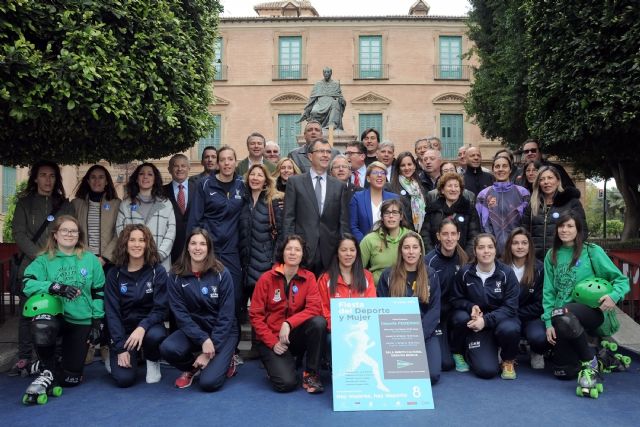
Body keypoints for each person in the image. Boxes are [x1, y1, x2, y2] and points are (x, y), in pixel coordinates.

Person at [542, 212, 629, 386]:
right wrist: (548, 323)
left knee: (564, 312)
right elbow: (548, 291)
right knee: (564, 372)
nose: (564, 230)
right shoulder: (551, 254)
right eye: (561, 226)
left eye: (570, 226)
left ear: (578, 229)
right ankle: (602, 356)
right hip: (560, 317)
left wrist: (614, 296)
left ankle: (591, 363)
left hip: (592, 311)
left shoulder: (591, 251)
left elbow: (621, 280)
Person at [21, 215, 104, 394]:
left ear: (79, 235)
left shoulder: (90, 260)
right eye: (64, 230)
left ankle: (42, 365)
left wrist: (97, 321)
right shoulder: (44, 260)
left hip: (80, 320)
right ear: (55, 235)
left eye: (73, 231)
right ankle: (48, 369)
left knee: (70, 379)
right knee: (42, 324)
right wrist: (55, 287)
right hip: (55, 318)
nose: (69, 234)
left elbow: (99, 291)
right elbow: (27, 283)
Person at [10, 160, 75, 376]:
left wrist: (56, 257)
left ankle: (49, 358)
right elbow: (19, 234)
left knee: (56, 313)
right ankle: (24, 358)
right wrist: (41, 257)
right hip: (32, 266)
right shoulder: (24, 204)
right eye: (43, 175)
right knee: (28, 315)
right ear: (35, 178)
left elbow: (70, 232)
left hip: (60, 266)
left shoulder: (65, 205)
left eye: (52, 176)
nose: (48, 180)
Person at [186, 145, 245, 366]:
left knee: (235, 299)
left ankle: (233, 348)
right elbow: (195, 220)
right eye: (223, 160)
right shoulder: (204, 185)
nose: (227, 163)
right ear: (217, 163)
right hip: (209, 252)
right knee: (206, 298)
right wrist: (196, 251)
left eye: (231, 159)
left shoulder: (242, 185)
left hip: (232, 252)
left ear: (235, 162)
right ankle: (204, 345)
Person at [160, 228, 238, 391]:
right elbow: (180, 315)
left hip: (223, 331)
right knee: (168, 348)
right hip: (194, 330)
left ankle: (227, 357)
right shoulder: (175, 275)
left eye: (202, 244)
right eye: (193, 243)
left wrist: (211, 346)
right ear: (187, 247)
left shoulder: (222, 273)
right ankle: (191, 368)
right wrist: (203, 339)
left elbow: (226, 316)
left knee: (208, 383)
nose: (197, 248)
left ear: (209, 248)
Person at [249, 235, 327, 393]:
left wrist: (289, 323)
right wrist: (272, 342)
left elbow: (314, 308)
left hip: (293, 335)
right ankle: (281, 364)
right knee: (286, 384)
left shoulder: (309, 277)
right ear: (282, 253)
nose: (293, 253)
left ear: (302, 254)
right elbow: (255, 316)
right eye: (289, 249)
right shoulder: (266, 279)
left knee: (318, 322)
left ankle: (310, 374)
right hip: (272, 338)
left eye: (297, 249)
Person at [104, 224, 169, 387]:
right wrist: (120, 347)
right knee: (124, 380)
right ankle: (114, 357)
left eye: (142, 240)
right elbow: (112, 313)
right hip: (124, 331)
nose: (137, 244)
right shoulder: (114, 273)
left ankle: (152, 360)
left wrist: (142, 327)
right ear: (125, 244)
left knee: (155, 335)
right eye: (132, 240)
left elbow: (161, 309)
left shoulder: (158, 271)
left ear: (147, 244)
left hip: (149, 328)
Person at [450, 234, 520, 380]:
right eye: (481, 247)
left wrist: (486, 320)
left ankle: (508, 360)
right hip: (477, 324)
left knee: (511, 329)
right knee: (486, 371)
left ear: (495, 250)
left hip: (501, 320)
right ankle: (467, 349)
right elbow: (455, 299)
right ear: (475, 252)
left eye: (490, 247)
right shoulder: (465, 273)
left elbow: (510, 308)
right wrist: (471, 306)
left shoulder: (507, 273)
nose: (486, 251)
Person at [72, 164, 121, 368]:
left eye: (101, 177)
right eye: (93, 177)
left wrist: (105, 258)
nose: (97, 181)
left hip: (107, 262)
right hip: (83, 261)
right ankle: (89, 345)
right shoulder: (76, 204)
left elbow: (120, 232)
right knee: (85, 304)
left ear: (107, 181)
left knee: (107, 305)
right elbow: (71, 232)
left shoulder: (116, 203)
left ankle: (106, 345)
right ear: (87, 180)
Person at [378, 231, 442, 384]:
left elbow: (434, 309)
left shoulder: (431, 274)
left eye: (415, 247)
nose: (411, 252)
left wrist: (419, 334)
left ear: (421, 251)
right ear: (401, 251)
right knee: (393, 373)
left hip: (423, 332)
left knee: (432, 376)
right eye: (406, 247)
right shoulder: (388, 275)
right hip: (395, 334)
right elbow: (381, 308)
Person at [283, 138, 349, 277]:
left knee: (327, 296)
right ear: (310, 156)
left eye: (328, 152)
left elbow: (343, 223)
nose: (325, 155)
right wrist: (289, 248)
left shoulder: (339, 186)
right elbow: (288, 218)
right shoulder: (295, 182)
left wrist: (343, 249)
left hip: (330, 253)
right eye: (321, 151)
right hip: (302, 251)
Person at [316, 234, 376, 361]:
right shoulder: (325, 279)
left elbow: (372, 307)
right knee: (332, 339)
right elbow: (323, 310)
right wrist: (340, 328)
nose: (348, 254)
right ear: (337, 253)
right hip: (335, 331)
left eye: (352, 250)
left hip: (362, 330)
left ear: (357, 253)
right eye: (343, 250)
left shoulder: (367, 276)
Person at [239, 163, 284, 319]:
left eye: (259, 175)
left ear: (266, 180)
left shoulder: (274, 201)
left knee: (264, 312)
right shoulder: (242, 201)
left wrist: (275, 261)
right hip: (244, 264)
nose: (255, 178)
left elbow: (281, 233)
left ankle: (262, 343)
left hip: (265, 264)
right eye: (252, 174)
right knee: (241, 313)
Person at [425, 219, 469, 372]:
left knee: (463, 318)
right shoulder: (429, 262)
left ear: (458, 236)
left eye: (453, 234)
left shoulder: (465, 259)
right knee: (446, 364)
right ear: (438, 236)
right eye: (445, 234)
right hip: (437, 315)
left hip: (457, 312)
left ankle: (458, 351)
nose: (449, 238)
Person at [116, 162, 176, 271]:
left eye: (150, 174)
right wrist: (133, 254)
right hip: (133, 262)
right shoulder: (126, 204)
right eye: (141, 174)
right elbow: (120, 231)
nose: (145, 177)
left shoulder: (166, 204)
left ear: (155, 179)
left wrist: (159, 255)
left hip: (160, 263)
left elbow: (171, 232)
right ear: (136, 178)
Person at [501, 227, 547, 369]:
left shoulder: (539, 268)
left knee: (539, 337)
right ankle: (503, 350)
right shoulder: (500, 266)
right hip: (506, 316)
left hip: (530, 316)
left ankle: (536, 351)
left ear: (529, 246)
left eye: (524, 243)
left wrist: (517, 314)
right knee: (505, 329)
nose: (520, 247)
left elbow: (540, 303)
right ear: (509, 245)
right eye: (515, 243)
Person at [522, 165, 587, 260]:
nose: (546, 182)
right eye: (542, 179)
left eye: (550, 178)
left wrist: (569, 252)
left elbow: (583, 231)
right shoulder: (531, 204)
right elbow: (524, 231)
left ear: (558, 181)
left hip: (562, 258)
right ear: (538, 183)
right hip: (535, 260)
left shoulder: (571, 202)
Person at [476, 156, 530, 256]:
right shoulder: (483, 195)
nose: (501, 169)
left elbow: (527, 224)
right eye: (497, 166)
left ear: (510, 170)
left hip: (518, 250)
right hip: (492, 253)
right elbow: (482, 225)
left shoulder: (523, 193)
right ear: (493, 170)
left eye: (504, 166)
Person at [421, 172, 480, 255]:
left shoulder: (469, 209)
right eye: (449, 186)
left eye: (456, 186)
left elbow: (474, 236)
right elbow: (425, 235)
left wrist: (465, 256)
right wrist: (433, 255)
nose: (453, 189)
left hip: (462, 259)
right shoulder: (433, 209)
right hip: (437, 257)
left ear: (460, 190)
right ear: (442, 190)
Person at [360, 199, 411, 284]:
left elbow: (421, 267)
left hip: (406, 290)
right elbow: (358, 269)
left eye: (395, 212)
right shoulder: (369, 239)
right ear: (382, 217)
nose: (391, 216)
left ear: (401, 216)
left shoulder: (413, 238)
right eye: (387, 213)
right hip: (377, 291)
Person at [349, 161, 401, 243]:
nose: (379, 175)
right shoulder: (358, 197)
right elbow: (353, 227)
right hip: (365, 246)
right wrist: (366, 244)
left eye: (382, 173)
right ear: (368, 178)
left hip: (390, 245)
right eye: (375, 172)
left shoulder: (394, 198)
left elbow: (400, 224)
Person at [163, 154, 194, 264]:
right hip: (169, 249)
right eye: (176, 166)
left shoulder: (198, 190)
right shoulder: (161, 192)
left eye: (183, 166)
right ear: (169, 169)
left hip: (194, 247)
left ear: (189, 168)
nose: (180, 169)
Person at [386, 152, 426, 233]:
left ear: (414, 166)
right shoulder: (390, 187)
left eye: (409, 164)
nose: (407, 168)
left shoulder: (420, 188)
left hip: (419, 233)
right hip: (399, 234)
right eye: (403, 165)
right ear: (398, 168)